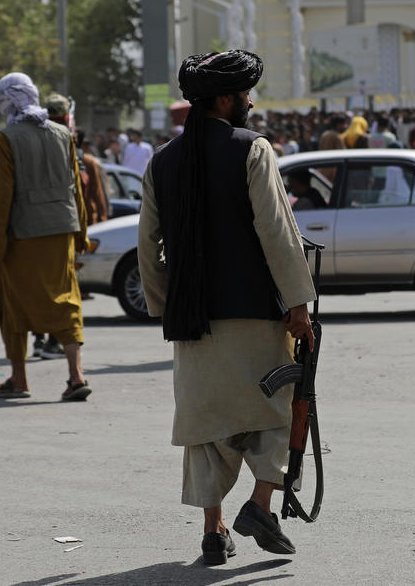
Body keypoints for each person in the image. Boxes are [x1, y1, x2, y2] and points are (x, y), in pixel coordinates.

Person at [137, 50, 317, 565]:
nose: (251, 101)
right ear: (224, 99)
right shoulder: (252, 149)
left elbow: (148, 244)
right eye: (244, 94)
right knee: (276, 414)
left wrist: (166, 307)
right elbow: (278, 233)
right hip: (256, 315)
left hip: (193, 321)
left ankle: (213, 531)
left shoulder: (162, 160)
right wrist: (300, 304)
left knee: (207, 428)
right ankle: (260, 506)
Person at [0, 74, 91, 401]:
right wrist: (81, 234)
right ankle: (76, 377)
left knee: (14, 304)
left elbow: (1, 200)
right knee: (66, 299)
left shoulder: (6, 138)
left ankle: (19, 380)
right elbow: (76, 189)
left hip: (23, 235)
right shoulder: (62, 134)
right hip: (62, 230)